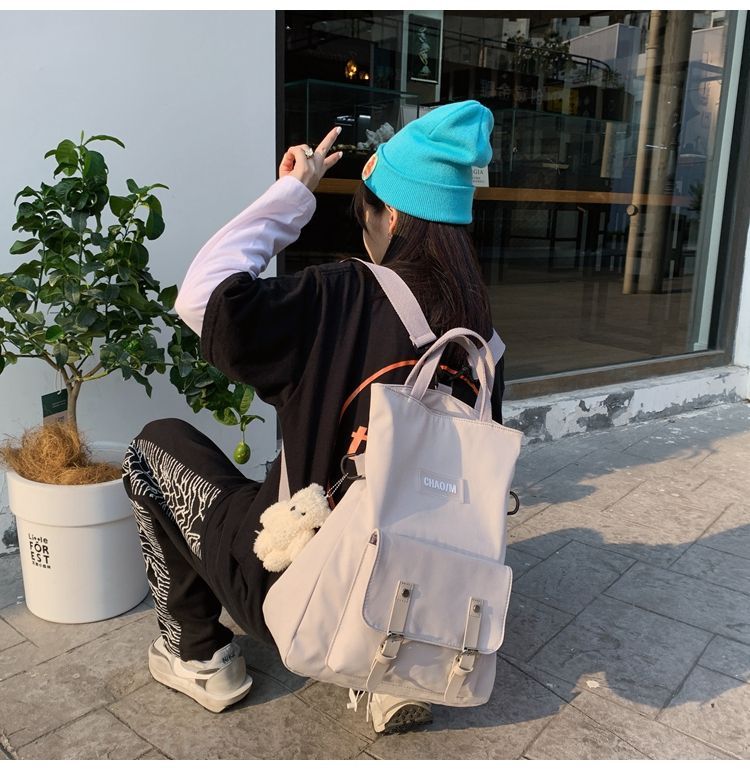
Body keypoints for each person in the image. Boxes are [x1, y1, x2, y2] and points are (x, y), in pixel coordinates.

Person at [121, 100, 505, 734]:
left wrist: (293, 194)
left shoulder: (342, 296)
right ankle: (391, 666)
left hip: (298, 583)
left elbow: (202, 297)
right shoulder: (480, 339)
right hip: (420, 585)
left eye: (364, 213)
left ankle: (198, 654)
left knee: (153, 446)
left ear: (390, 216)